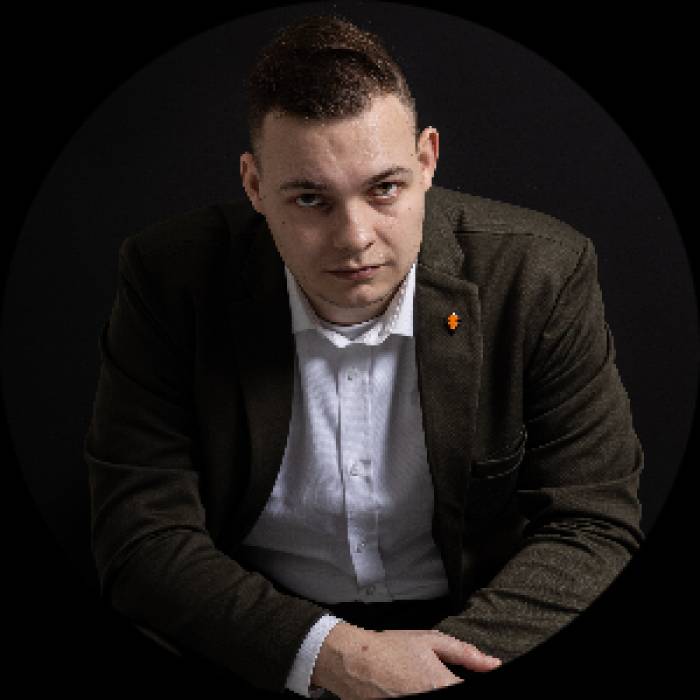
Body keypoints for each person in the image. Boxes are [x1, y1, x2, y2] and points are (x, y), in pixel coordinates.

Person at [85, 15, 644, 699]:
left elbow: (593, 523)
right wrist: (331, 656)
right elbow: (140, 536)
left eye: (384, 189)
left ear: (427, 160)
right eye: (310, 199)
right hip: (256, 639)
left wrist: (436, 672)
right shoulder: (171, 278)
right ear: (255, 185)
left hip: (484, 627)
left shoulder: (539, 274)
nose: (354, 237)